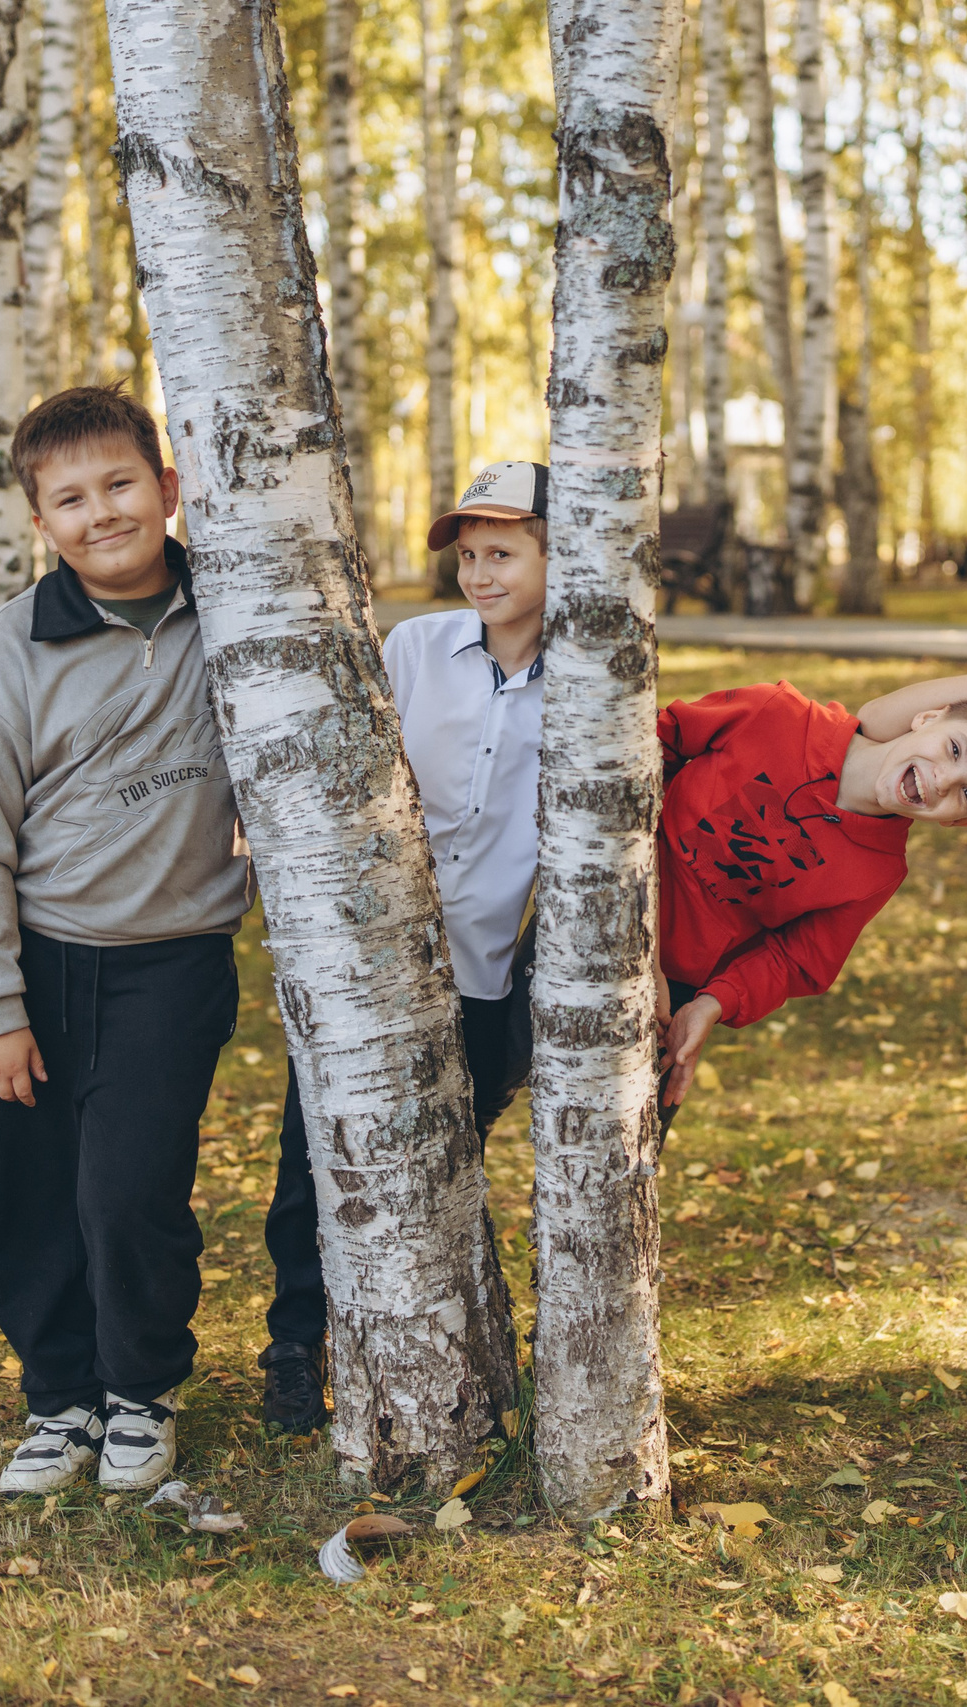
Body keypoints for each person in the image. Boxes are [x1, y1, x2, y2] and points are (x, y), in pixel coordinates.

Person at [0, 383, 250, 1496]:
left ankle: (140, 1389)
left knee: (128, 1195)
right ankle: (57, 1398)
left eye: (120, 484)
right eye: (68, 499)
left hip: (172, 965)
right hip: (42, 966)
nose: (100, 513)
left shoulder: (244, 612)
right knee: (28, 1201)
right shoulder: (15, 647)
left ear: (168, 490)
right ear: (40, 523)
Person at [258, 461, 553, 1437]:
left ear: (562, 558)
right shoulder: (420, 649)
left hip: (477, 966)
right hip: (371, 950)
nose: (479, 573)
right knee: (317, 1147)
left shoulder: (588, 687)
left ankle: (429, 1331)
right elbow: (341, 756)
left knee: (440, 1153)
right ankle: (295, 1342)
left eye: (503, 553)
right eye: (468, 555)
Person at [654, 667, 967, 1115]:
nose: (944, 780)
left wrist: (711, 1004)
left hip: (668, 996)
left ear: (959, 822)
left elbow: (799, 959)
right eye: (954, 748)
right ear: (927, 718)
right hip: (593, 889)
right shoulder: (774, 713)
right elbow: (655, 739)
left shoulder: (878, 870)